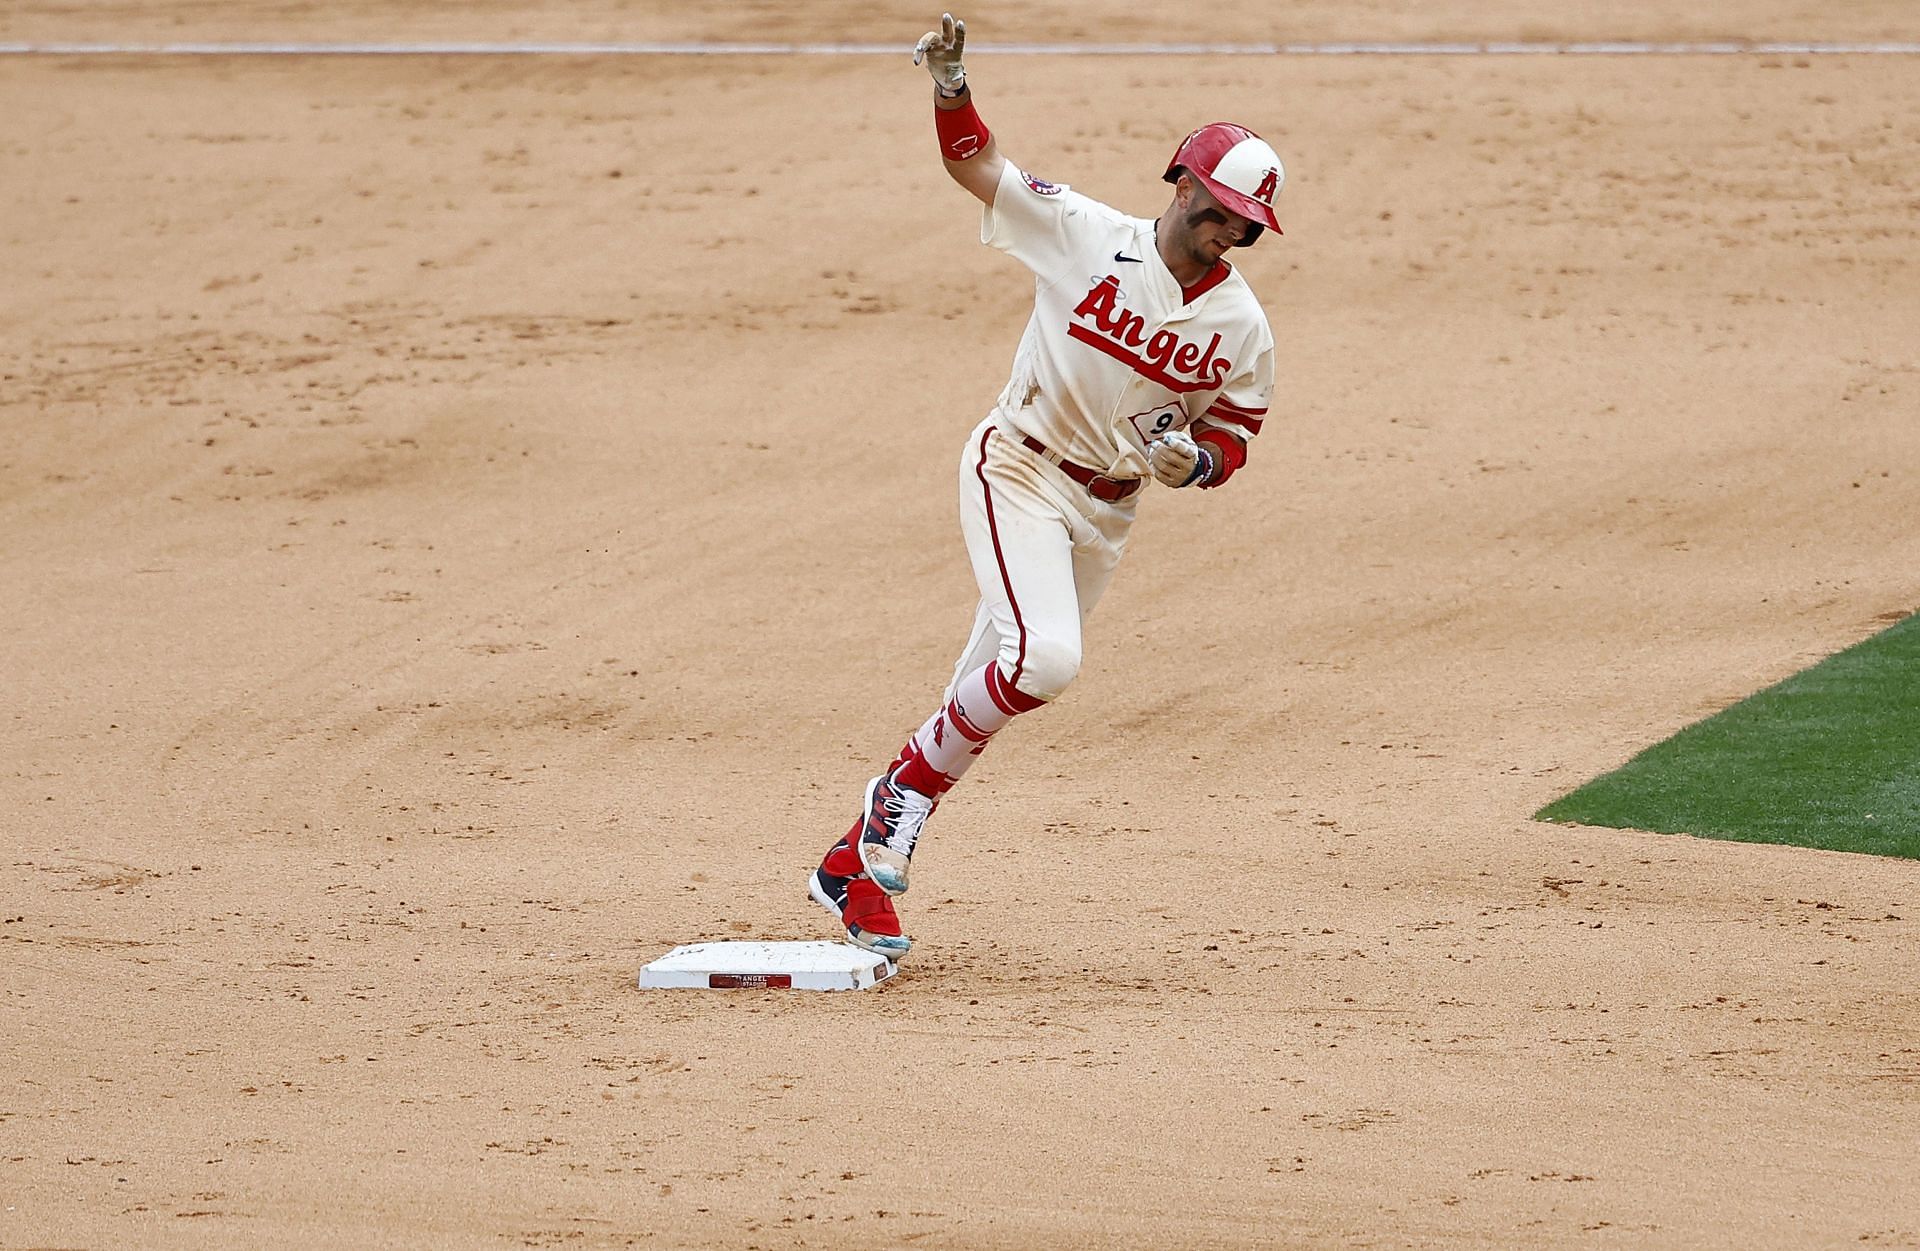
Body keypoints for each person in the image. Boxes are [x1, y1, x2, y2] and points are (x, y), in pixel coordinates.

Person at [809, 12, 1283, 958]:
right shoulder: (1081, 231)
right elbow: (977, 166)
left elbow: (1235, 429)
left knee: (982, 689)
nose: (1226, 229)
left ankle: (851, 865)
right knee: (1045, 662)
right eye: (1217, 206)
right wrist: (951, 89)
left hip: (1104, 516)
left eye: (1245, 223)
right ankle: (893, 798)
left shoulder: (1242, 324)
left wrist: (1196, 462)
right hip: (1018, 466)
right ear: (1182, 180)